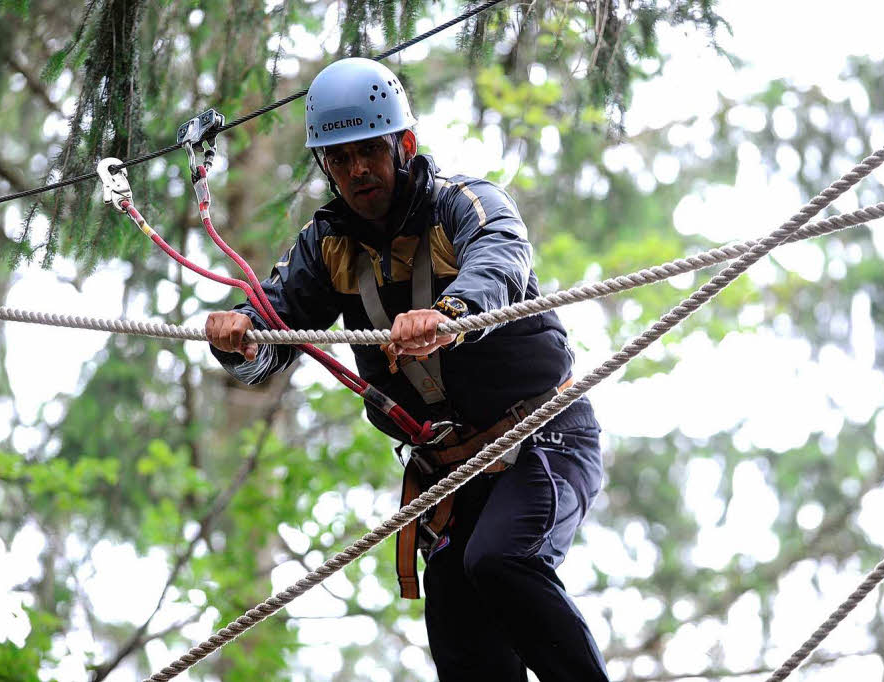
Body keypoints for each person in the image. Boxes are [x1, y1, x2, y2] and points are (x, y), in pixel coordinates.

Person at [206, 57, 608, 682]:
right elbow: (272, 337)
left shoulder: (464, 205)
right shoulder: (327, 247)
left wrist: (451, 313)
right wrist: (238, 338)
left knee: (500, 561)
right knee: (458, 629)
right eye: (339, 159)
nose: (356, 170)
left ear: (404, 145)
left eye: (369, 150)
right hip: (452, 475)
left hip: (541, 438)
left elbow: (499, 258)